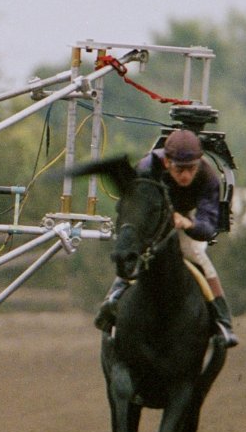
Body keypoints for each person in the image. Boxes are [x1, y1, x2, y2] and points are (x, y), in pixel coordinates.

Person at [94, 128, 238, 347]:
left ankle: (221, 318)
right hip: (152, 218)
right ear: (167, 162)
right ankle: (112, 300)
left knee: (197, 254)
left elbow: (208, 226)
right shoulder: (147, 168)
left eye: (191, 168)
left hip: (184, 220)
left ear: (199, 163)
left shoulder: (208, 178)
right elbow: (135, 204)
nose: (186, 176)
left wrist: (188, 223)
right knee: (136, 252)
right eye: (180, 169)